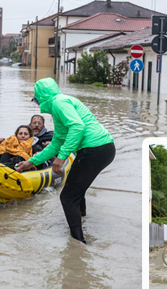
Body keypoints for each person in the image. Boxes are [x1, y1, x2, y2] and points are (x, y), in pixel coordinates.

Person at [15, 77, 115, 244]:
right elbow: (56, 143)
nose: (37, 104)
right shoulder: (59, 105)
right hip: (102, 148)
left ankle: (78, 243)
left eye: (36, 99)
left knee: (67, 197)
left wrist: (61, 157)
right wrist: (30, 162)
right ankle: (81, 219)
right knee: (77, 190)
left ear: (42, 97)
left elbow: (78, 127)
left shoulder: (59, 103)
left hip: (95, 149)